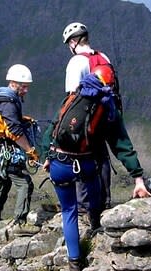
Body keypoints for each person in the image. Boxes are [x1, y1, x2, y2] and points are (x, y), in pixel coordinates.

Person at [43, 65, 151, 271]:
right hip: (83, 164)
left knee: (68, 211)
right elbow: (121, 144)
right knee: (94, 190)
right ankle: (95, 225)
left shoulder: (73, 96)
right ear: (110, 85)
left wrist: (47, 156)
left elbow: (53, 129)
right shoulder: (107, 107)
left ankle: (74, 263)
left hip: (58, 162)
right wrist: (137, 177)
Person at [62, 22, 115, 215]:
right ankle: (105, 202)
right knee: (102, 159)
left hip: (84, 124)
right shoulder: (103, 57)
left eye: (69, 43)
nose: (70, 47)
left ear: (74, 42)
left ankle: (85, 208)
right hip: (105, 119)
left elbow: (71, 97)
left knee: (80, 163)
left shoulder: (76, 62)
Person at [0, 64, 40, 235]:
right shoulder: (9, 102)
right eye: (23, 86)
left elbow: (4, 121)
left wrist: (20, 119)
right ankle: (20, 222)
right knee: (24, 184)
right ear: (14, 83)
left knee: (1, 183)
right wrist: (30, 150)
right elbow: (15, 132)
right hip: (7, 152)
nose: (26, 90)